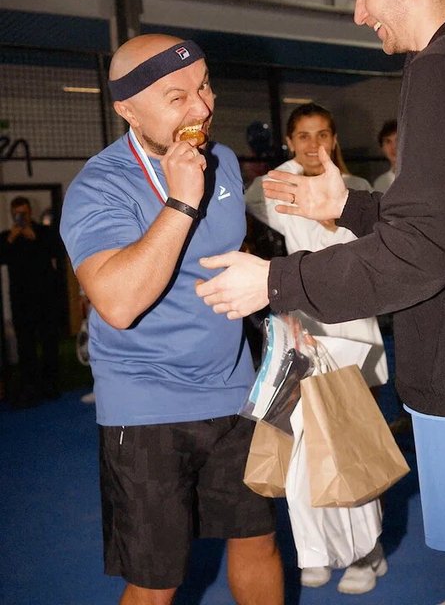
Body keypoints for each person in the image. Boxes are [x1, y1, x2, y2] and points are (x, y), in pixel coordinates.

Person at [196, 0, 445, 605]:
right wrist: (346, 206)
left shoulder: (437, 72)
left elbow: (421, 250)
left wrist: (275, 281)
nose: (358, 13)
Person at [59, 33, 283, 605]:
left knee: (258, 541)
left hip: (236, 393)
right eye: (177, 97)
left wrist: (275, 308)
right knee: (157, 581)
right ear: (128, 110)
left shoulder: (222, 161)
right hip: (147, 405)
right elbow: (117, 303)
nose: (202, 108)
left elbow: (223, 255)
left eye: (205, 87)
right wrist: (181, 202)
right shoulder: (99, 186)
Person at [246, 102, 388, 594]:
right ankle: (321, 547)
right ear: (288, 141)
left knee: (354, 442)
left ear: (335, 139)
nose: (313, 145)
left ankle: (368, 550)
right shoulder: (275, 187)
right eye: (302, 136)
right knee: (304, 448)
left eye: (322, 134)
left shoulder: (359, 188)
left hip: (354, 332)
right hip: (302, 333)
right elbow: (252, 202)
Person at [0, 196, 62, 407]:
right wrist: (11, 238)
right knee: (25, 345)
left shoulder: (43, 232)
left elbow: (55, 251)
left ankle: (51, 385)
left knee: (49, 342)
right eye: (16, 214)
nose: (20, 217)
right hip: (21, 301)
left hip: (45, 298)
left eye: (23, 213)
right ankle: (30, 386)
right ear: (11, 214)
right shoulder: (7, 237)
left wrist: (33, 237)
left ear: (30, 213)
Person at [373, 119, 397, 193]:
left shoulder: (422, 177)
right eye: (388, 141)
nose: (394, 147)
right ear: (382, 147)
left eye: (398, 140)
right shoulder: (380, 183)